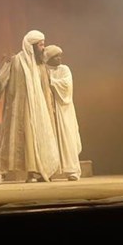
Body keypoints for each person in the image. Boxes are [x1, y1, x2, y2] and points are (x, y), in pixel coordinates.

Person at [0, 30, 60, 184]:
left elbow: (45, 87)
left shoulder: (40, 65)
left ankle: (33, 173)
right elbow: (1, 80)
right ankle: (1, 173)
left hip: (38, 111)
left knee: (34, 142)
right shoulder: (15, 61)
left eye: (43, 44)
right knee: (11, 142)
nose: (43, 48)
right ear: (31, 46)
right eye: (40, 45)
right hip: (18, 110)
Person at [44, 45, 82, 180]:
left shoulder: (64, 69)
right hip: (48, 108)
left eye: (60, 56)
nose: (59, 58)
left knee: (67, 137)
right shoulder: (43, 70)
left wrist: (50, 81)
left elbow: (66, 85)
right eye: (55, 56)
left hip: (63, 109)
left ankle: (72, 170)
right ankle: (50, 171)